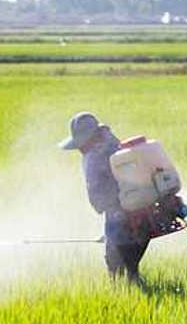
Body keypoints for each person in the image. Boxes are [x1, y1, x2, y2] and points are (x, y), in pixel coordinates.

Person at [59, 111, 149, 285]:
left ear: (87, 139)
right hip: (143, 209)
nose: (79, 149)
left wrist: (111, 230)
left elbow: (99, 199)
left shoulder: (93, 157)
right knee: (131, 264)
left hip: (121, 212)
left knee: (116, 268)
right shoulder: (115, 144)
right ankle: (133, 281)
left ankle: (124, 290)